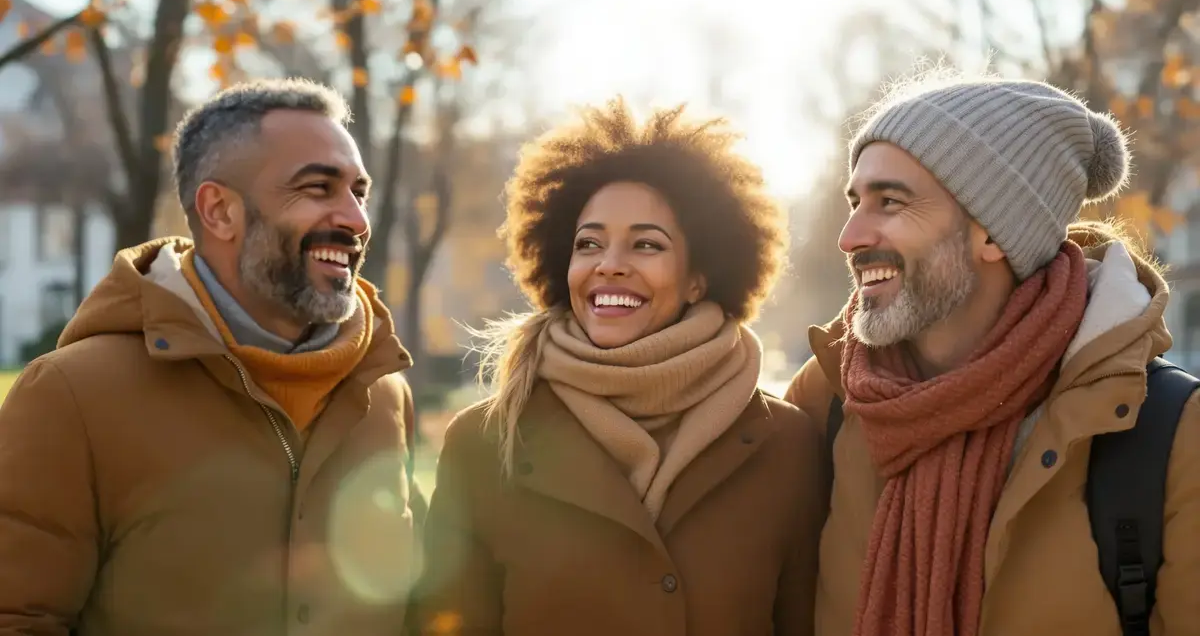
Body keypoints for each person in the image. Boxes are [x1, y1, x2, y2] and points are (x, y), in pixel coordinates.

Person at [0, 78, 424, 635]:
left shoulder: (384, 394)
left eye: (358, 193)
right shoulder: (72, 396)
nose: (355, 220)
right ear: (219, 211)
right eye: (318, 188)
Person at [785, 69, 1200, 636]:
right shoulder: (830, 397)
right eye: (855, 200)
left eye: (890, 201)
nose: (849, 234)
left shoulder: (1170, 433)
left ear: (992, 234)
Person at [414, 98, 826, 636]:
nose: (609, 265)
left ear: (699, 277)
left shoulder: (786, 445)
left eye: (646, 244)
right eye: (589, 244)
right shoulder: (484, 443)